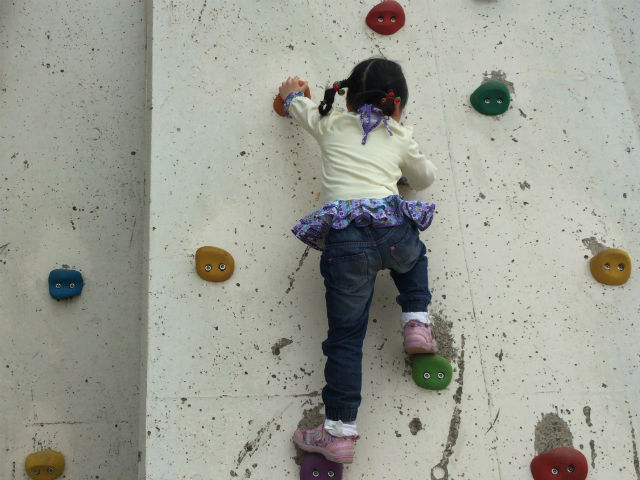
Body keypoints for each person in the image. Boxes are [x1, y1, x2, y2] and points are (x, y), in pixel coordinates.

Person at [278, 58, 438, 464]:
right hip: (391, 230)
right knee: (414, 254)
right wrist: (401, 165)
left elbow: (298, 107)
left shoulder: (330, 122)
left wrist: (292, 92)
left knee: (346, 342)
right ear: (397, 104)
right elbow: (423, 179)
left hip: (346, 244)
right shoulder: (400, 135)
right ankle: (417, 320)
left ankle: (339, 433)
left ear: (346, 99)